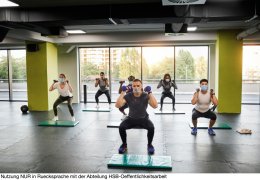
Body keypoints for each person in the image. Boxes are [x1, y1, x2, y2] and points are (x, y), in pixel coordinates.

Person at [115, 79, 158, 155]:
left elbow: (155, 106)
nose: (136, 87)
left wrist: (150, 93)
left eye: (138, 86)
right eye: (134, 86)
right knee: (121, 127)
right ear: (132, 87)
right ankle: (124, 144)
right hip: (131, 119)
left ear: (141, 86)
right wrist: (123, 92)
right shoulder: (128, 95)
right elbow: (117, 105)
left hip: (143, 119)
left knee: (151, 127)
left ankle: (150, 145)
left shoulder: (145, 95)